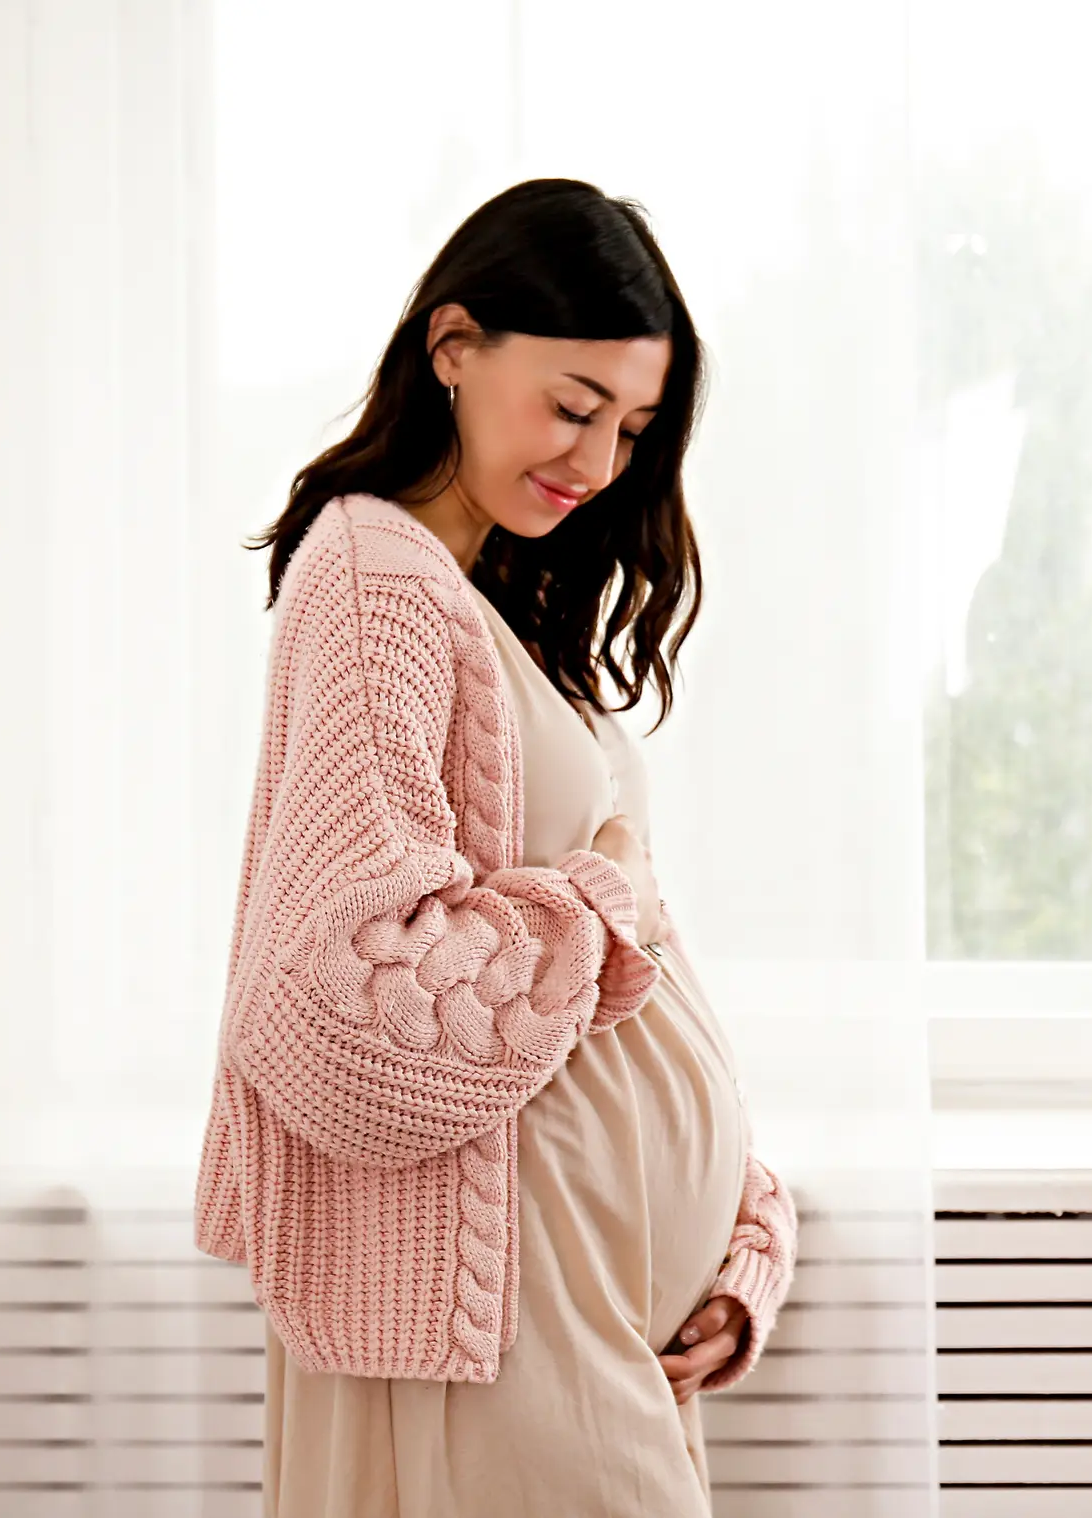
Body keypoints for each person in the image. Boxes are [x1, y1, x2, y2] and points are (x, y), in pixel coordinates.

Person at [191, 178, 798, 1516]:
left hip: (583, 1296)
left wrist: (738, 1229)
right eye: (574, 406)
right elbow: (362, 987)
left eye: (632, 429)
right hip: (506, 1307)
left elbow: (642, 974)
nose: (595, 462)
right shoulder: (374, 576)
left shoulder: (494, 594)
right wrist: (602, 900)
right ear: (453, 346)